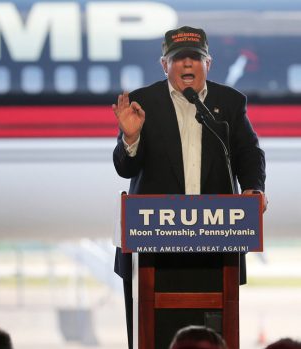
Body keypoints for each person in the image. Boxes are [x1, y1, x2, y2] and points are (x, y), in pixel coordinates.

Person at [112, 25, 267, 348]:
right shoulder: (142, 103)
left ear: (208, 64)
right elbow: (125, 167)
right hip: (154, 252)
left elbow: (248, 153)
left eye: (195, 58)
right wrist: (130, 137)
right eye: (178, 58)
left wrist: (253, 188)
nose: (186, 65)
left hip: (214, 249)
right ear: (164, 65)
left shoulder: (230, 102)